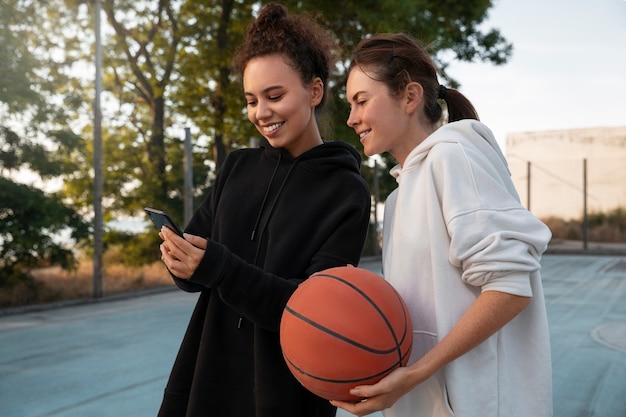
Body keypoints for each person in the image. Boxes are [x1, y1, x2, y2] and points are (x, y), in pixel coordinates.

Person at [156, 4, 371, 417]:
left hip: (286, 393)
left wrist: (218, 267)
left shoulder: (347, 192)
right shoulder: (237, 167)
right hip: (205, 379)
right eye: (252, 100)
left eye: (275, 96)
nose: (261, 113)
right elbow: (197, 275)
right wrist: (179, 261)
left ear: (314, 91)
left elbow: (313, 311)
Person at [332, 33, 553, 417]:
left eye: (361, 101)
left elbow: (510, 288)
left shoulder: (454, 159)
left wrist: (418, 372)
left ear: (410, 96)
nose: (351, 118)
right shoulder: (401, 196)